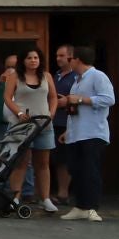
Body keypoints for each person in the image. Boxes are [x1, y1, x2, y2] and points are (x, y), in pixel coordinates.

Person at [57, 45, 114, 222]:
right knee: (76, 169)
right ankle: (80, 205)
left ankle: (92, 207)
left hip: (93, 133)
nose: (68, 62)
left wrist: (81, 99)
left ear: (77, 60)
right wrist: (68, 129)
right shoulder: (77, 81)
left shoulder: (98, 76)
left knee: (90, 170)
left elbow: (109, 99)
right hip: (77, 133)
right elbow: (74, 107)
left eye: (70, 59)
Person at [4, 45, 58, 213]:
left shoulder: (47, 76)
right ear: (23, 61)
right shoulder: (15, 77)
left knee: (43, 163)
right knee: (21, 162)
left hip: (44, 124)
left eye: (35, 58)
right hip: (22, 125)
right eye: (29, 58)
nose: (33, 61)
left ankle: (45, 198)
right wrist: (18, 112)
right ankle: (16, 197)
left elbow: (53, 97)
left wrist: (51, 114)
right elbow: (7, 97)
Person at [49, 43, 76, 205]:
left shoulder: (77, 77)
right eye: (57, 55)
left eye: (61, 56)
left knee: (67, 159)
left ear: (71, 57)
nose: (58, 59)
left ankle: (64, 193)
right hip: (53, 122)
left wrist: (64, 102)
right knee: (57, 159)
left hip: (69, 122)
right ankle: (60, 192)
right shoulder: (55, 75)